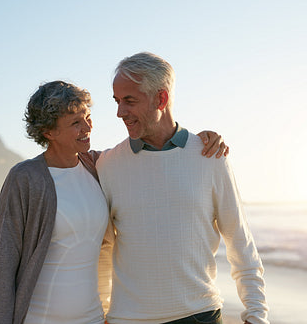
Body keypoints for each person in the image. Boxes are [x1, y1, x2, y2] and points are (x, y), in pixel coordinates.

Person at [0, 81, 228, 324]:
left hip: (94, 318)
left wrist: (198, 141)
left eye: (87, 117)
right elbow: (5, 262)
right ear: (48, 132)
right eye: (75, 123)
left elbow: (150, 155)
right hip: (40, 317)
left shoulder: (97, 166)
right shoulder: (25, 178)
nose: (86, 127)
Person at [96, 52, 269, 324]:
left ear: (161, 99)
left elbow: (239, 241)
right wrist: (101, 312)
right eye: (117, 101)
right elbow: (103, 249)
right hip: (127, 320)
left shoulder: (209, 156)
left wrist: (257, 314)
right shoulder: (106, 165)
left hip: (199, 316)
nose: (120, 112)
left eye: (129, 101)